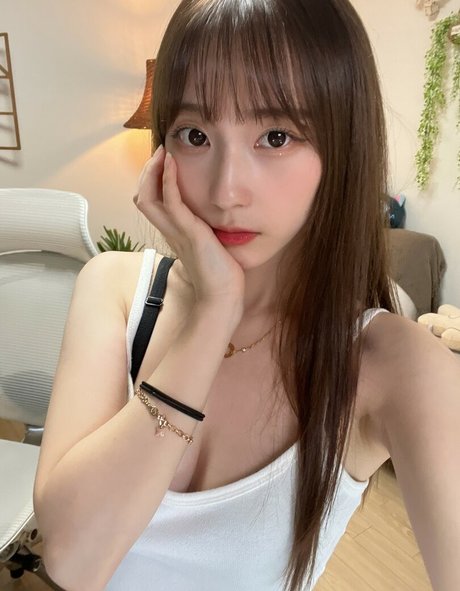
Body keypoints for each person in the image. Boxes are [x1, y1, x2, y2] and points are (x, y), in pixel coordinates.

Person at [33, 0, 460, 590]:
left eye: (275, 136)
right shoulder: (115, 289)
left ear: (343, 149)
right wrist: (213, 314)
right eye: (196, 135)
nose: (226, 190)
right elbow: (71, 561)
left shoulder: (394, 365)